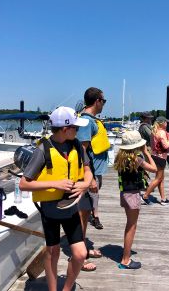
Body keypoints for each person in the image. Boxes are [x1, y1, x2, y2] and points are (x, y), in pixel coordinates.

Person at [19, 106, 93, 291]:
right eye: (76, 127)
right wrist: (55, 184)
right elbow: (24, 184)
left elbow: (87, 171)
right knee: (53, 251)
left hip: (71, 209)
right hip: (50, 211)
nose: (78, 130)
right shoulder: (42, 149)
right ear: (65, 129)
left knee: (80, 254)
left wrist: (85, 184)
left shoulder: (76, 145)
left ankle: (66, 288)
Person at [76, 87, 110, 270]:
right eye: (103, 100)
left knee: (86, 213)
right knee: (82, 216)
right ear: (97, 101)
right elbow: (81, 151)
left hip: (95, 174)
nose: (104, 104)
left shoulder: (91, 121)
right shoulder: (86, 122)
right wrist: (90, 179)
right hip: (89, 176)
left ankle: (84, 249)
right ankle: (79, 258)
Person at [114, 130, 156, 269]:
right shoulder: (137, 159)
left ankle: (126, 253)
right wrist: (146, 152)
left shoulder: (120, 157)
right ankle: (125, 260)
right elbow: (154, 169)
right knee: (131, 226)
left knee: (129, 224)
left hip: (124, 194)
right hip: (132, 195)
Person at [141, 116, 169, 206]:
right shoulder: (162, 133)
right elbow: (166, 146)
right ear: (162, 123)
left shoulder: (154, 132)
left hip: (154, 156)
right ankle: (145, 196)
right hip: (160, 158)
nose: (167, 123)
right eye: (166, 122)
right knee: (158, 179)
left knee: (161, 179)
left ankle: (163, 199)